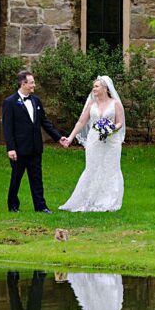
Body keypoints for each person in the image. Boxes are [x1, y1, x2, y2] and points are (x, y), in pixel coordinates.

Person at [58, 76, 126, 212]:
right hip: (94, 140)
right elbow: (81, 122)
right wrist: (70, 138)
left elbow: (120, 122)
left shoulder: (115, 103)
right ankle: (90, 199)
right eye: (93, 87)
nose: (93, 89)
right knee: (93, 168)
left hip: (112, 142)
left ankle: (109, 200)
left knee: (110, 168)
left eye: (96, 86)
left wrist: (111, 128)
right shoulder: (91, 104)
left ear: (105, 88)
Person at [2, 70, 65, 214]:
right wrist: (11, 148)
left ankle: (41, 206)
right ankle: (12, 205)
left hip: (35, 147)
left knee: (37, 179)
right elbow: (7, 128)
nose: (33, 85)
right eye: (31, 83)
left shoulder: (36, 100)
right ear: (23, 84)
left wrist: (58, 137)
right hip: (19, 149)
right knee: (16, 178)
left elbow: (44, 121)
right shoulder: (10, 102)